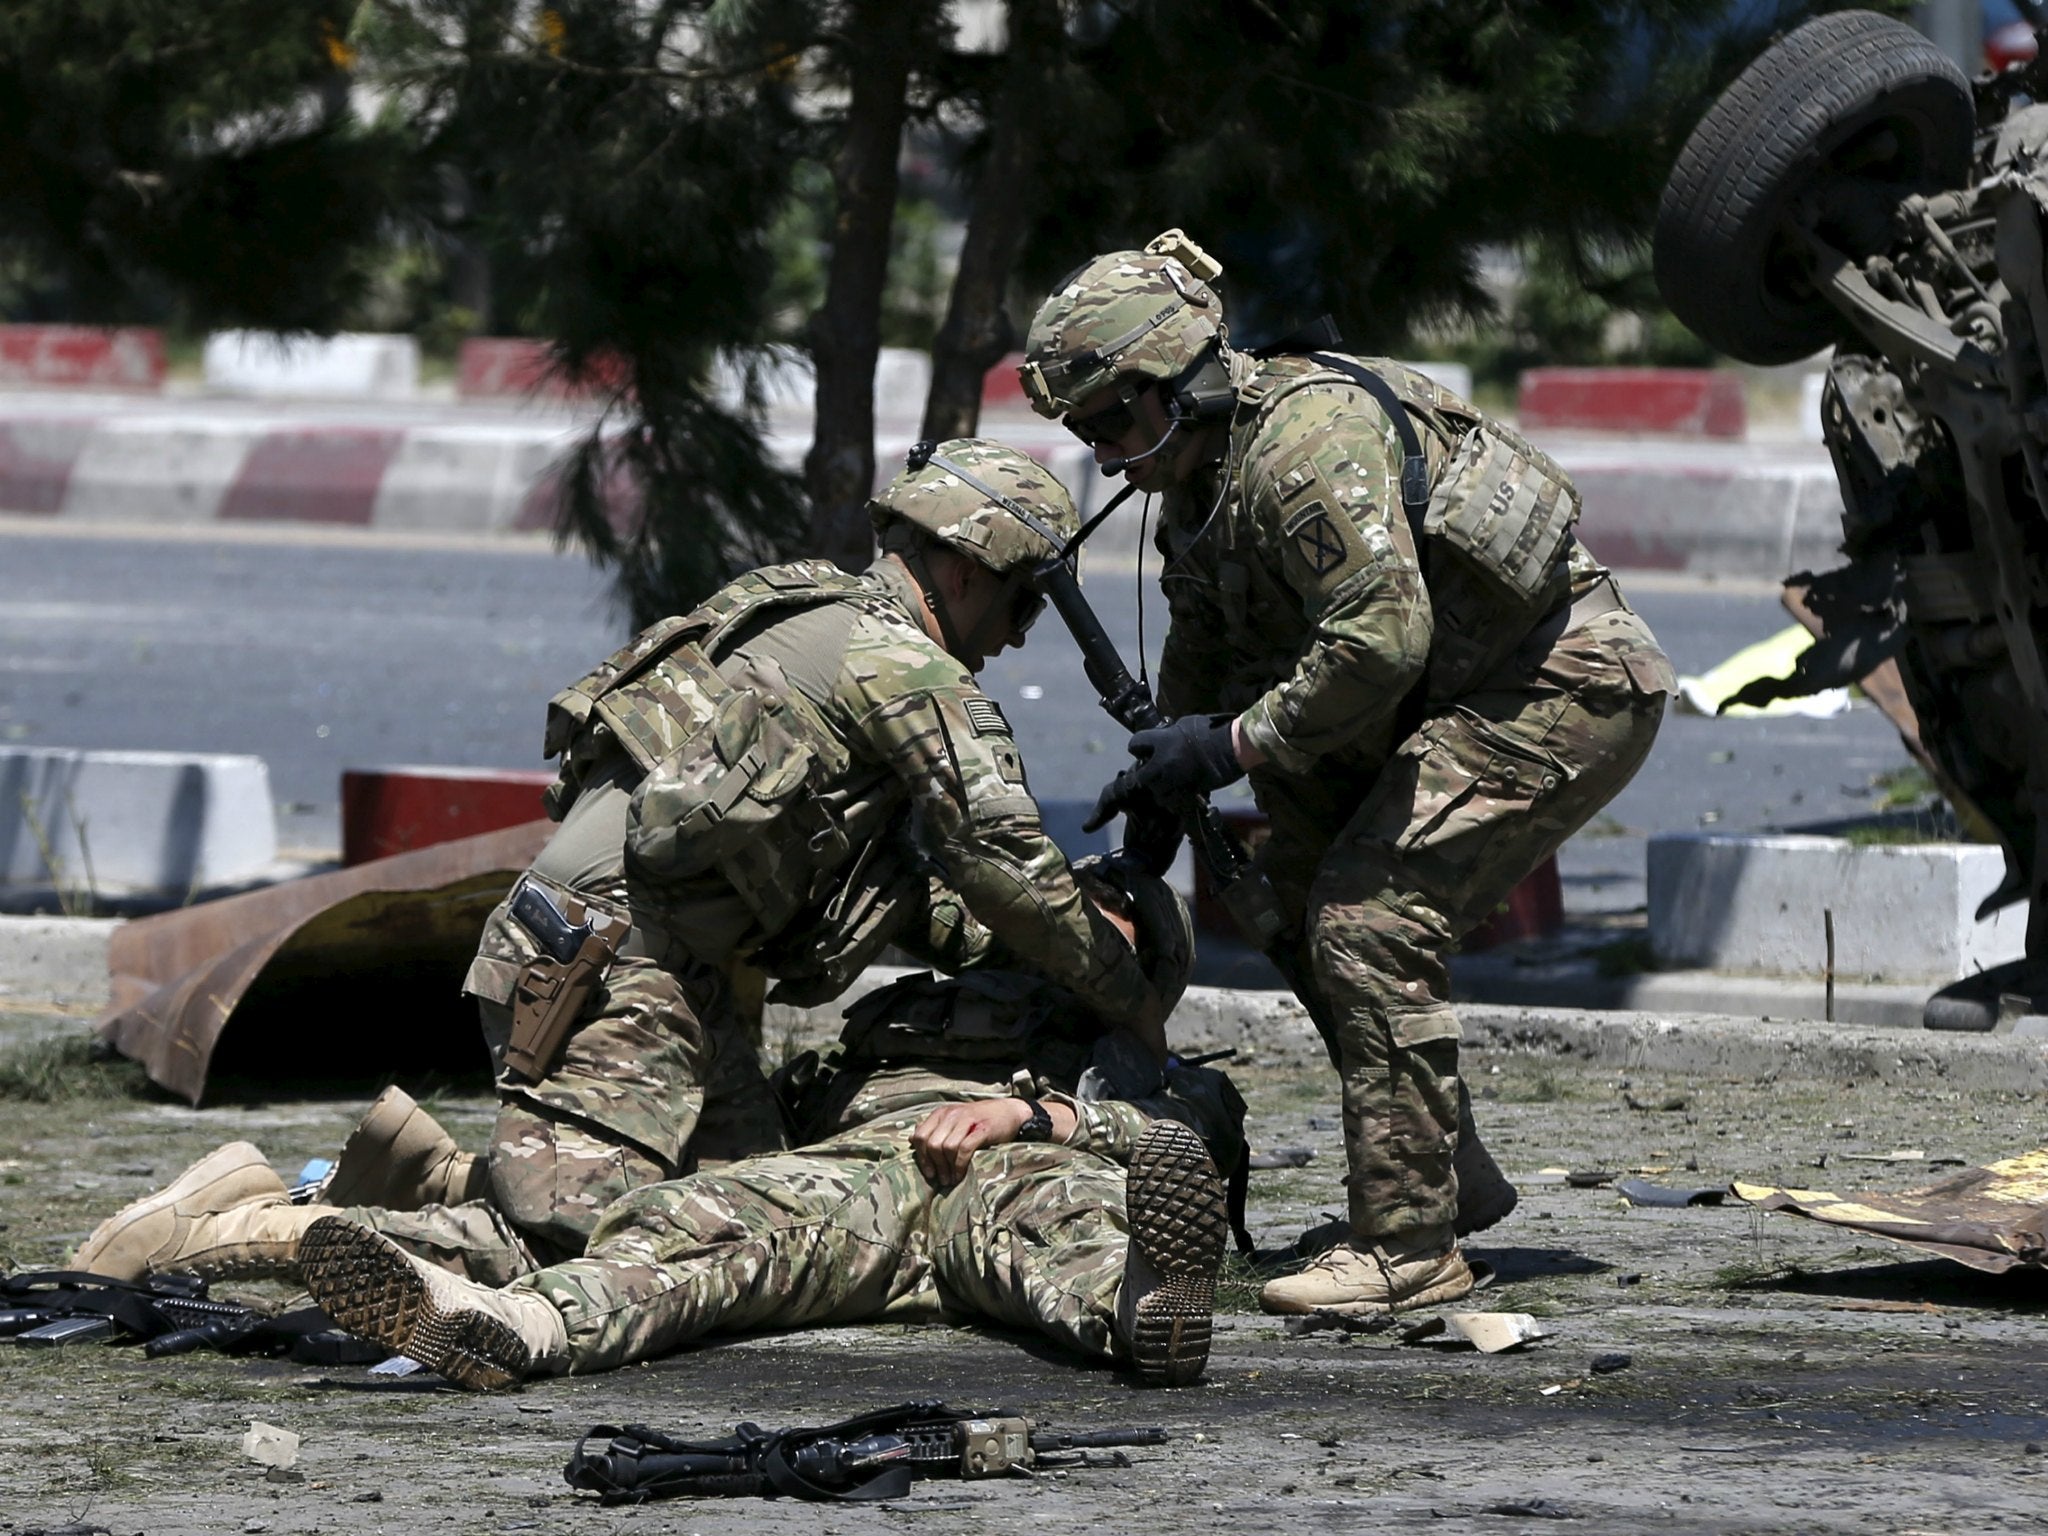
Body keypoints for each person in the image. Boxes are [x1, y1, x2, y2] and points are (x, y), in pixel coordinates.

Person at [72, 439, 1164, 1288]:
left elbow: (900, 890)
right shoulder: (910, 676)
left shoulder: (794, 612)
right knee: (578, 1249)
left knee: (732, 1225)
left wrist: (1008, 937)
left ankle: (399, 1169)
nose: (1020, 636)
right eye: (1023, 601)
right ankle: (236, 1230)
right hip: (620, 975)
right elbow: (1007, 862)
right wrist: (1119, 989)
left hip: (648, 973)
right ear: (968, 568)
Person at [1019, 231, 1676, 1314]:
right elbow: (1203, 642)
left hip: (1558, 683)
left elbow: (1378, 643)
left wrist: (1224, 745)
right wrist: (1165, 782)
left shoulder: (1304, 448)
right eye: (1083, 433)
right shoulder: (1201, 473)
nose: (1102, 455)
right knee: (1287, 893)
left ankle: (1408, 1250)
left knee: (1369, 919)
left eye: (1111, 423)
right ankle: (1443, 1176)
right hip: (1435, 697)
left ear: (1176, 382)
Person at [296, 865, 1241, 1390]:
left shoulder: (1146, 1067)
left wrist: (1038, 1114)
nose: (1078, 946)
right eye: (1076, 919)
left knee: (1067, 1223)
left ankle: (1144, 1315)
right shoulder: (944, 1009)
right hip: (882, 1173)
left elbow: (1187, 1134)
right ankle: (502, 1314)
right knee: (704, 1218)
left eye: (1112, 934)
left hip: (1021, 1165)